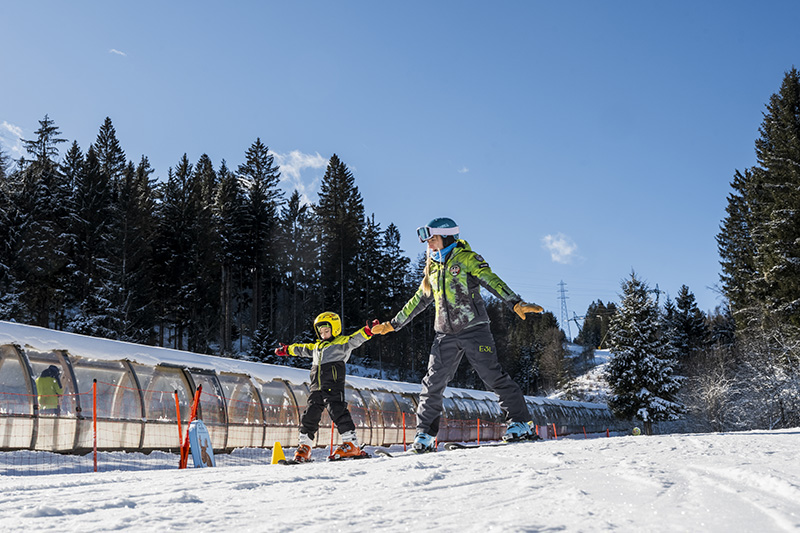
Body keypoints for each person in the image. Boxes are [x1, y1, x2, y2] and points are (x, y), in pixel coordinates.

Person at [371, 217, 544, 452]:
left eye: (433, 237)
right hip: (444, 334)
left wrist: (514, 302)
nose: (428, 242)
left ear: (447, 236)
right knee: (432, 383)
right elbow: (419, 299)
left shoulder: (467, 259)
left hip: (474, 328)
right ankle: (425, 435)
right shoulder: (432, 267)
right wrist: (393, 324)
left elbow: (491, 280)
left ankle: (522, 423)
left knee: (492, 376)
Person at [275, 312, 378, 462]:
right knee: (309, 415)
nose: (323, 334)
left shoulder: (341, 343)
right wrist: (287, 350)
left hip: (333, 386)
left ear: (335, 329)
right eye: (321, 332)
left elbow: (355, 339)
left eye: (326, 331)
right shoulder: (317, 347)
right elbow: (302, 348)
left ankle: (351, 444)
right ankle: (305, 447)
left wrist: (368, 331)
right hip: (316, 388)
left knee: (337, 411)